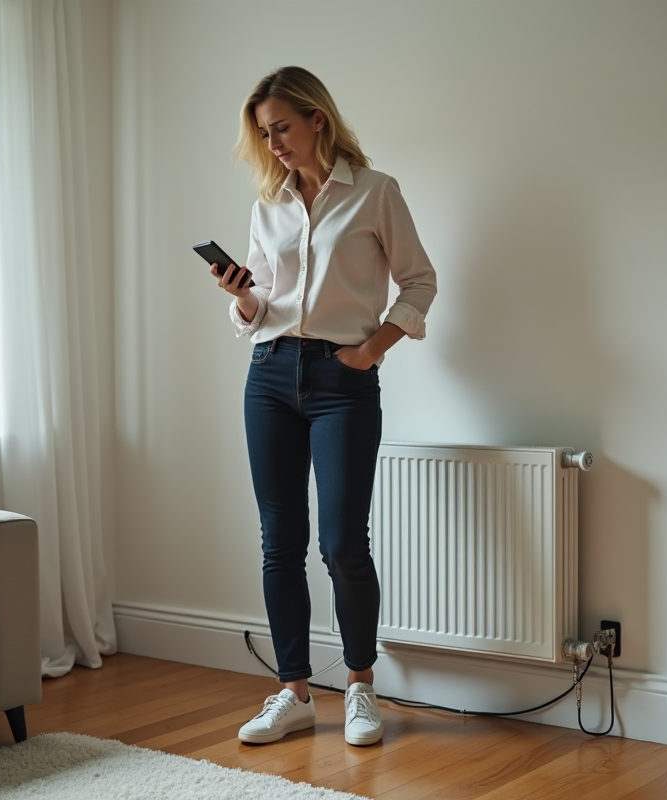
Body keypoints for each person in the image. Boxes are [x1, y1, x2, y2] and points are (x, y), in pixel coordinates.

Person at [213, 66, 437, 747]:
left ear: (317, 119)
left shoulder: (376, 193)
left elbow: (420, 282)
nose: (273, 142)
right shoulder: (268, 205)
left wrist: (372, 351)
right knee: (280, 542)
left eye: (281, 126)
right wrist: (241, 294)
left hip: (343, 380)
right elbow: (259, 308)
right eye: (263, 132)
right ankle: (294, 692)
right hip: (270, 374)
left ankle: (362, 687)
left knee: (342, 542)